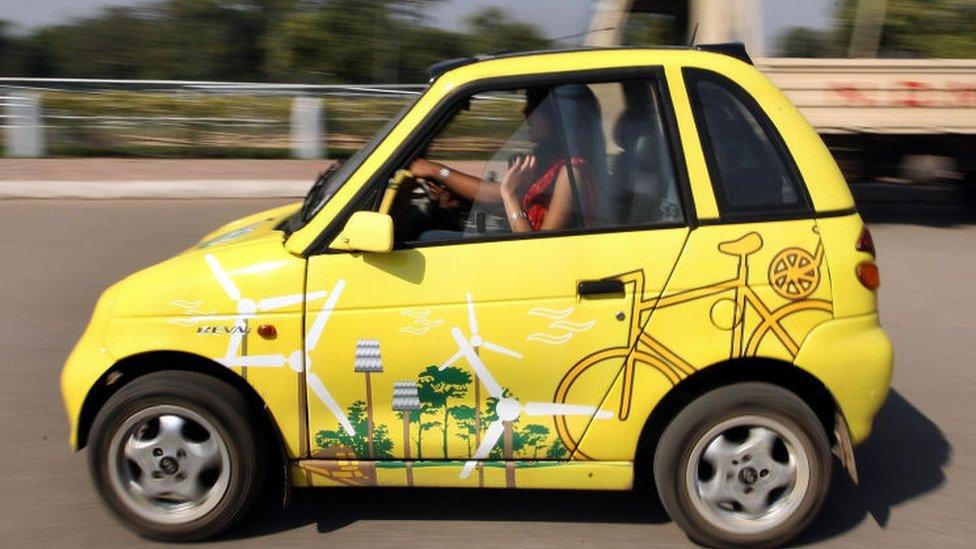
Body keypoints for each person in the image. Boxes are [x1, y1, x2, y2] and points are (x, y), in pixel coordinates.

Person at [408, 85, 602, 239]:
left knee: (426, 237)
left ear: (555, 117)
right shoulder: (550, 161)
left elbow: (540, 251)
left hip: (533, 264)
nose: (524, 112)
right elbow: (497, 196)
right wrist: (453, 190)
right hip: (521, 252)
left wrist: (510, 196)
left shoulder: (572, 172)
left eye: (533, 106)